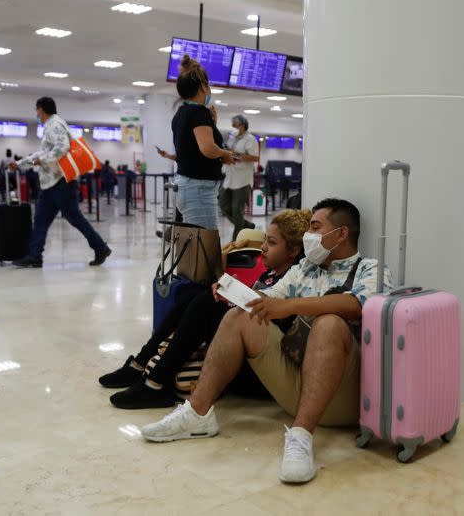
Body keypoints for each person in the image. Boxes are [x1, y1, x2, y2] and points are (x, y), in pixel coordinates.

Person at [140, 198, 392, 485]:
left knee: (329, 323)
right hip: (297, 382)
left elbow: (359, 305)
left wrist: (292, 305)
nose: (309, 234)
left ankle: (301, 435)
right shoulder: (305, 269)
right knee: (239, 316)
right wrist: (231, 290)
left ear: (342, 234)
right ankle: (197, 414)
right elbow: (266, 299)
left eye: (316, 227)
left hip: (345, 393)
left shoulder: (370, 268)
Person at [99, 211, 310, 408]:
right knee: (194, 293)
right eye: (265, 239)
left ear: (293, 250)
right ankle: (140, 364)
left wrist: (232, 301)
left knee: (205, 304)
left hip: (259, 375)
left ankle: (155, 383)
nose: (263, 247)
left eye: (271, 242)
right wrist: (231, 293)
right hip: (243, 355)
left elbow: (266, 329)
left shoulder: (296, 283)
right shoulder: (271, 274)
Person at [10, 97, 111, 268]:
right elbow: (42, 152)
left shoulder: (54, 125)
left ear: (41, 110)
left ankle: (100, 247)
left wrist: (41, 160)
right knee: (41, 219)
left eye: (37, 110)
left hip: (61, 183)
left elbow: (61, 148)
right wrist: (20, 163)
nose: (36, 114)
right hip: (51, 184)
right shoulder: (50, 126)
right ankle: (35, 256)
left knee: (74, 218)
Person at [162, 55, 234, 230]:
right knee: (204, 248)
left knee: (194, 243)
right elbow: (208, 149)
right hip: (199, 189)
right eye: (208, 85)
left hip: (189, 185)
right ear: (203, 86)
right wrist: (225, 153)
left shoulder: (182, 113)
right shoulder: (199, 113)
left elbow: (193, 148)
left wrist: (212, 125)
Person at [219, 115, 259, 240]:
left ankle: (236, 241)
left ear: (242, 123)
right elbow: (228, 152)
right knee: (223, 205)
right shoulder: (233, 136)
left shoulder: (250, 139)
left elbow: (255, 157)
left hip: (243, 180)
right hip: (229, 178)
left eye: (234, 122)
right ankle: (246, 225)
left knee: (237, 210)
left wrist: (235, 154)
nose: (232, 124)